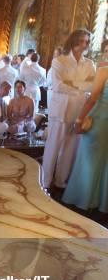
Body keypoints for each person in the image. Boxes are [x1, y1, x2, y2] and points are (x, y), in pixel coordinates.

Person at [42, 29, 95, 189]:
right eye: (80, 41)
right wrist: (81, 87)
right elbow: (58, 85)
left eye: (86, 42)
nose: (83, 45)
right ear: (73, 41)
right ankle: (44, 181)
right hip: (61, 110)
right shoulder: (60, 61)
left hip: (79, 110)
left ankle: (60, 180)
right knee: (53, 146)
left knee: (69, 149)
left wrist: (72, 84)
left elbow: (92, 85)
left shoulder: (89, 63)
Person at [62, 60, 108, 212]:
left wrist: (79, 120)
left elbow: (92, 98)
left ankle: (83, 199)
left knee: (88, 160)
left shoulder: (104, 70)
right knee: (105, 163)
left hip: (99, 120)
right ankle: (102, 202)